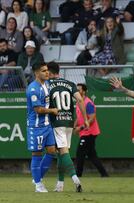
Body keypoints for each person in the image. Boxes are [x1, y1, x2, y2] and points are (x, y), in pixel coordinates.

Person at [47, 62, 88, 192]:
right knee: (61, 152)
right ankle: (60, 184)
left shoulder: (48, 85)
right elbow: (80, 100)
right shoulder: (70, 84)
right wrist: (85, 119)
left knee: (63, 152)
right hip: (69, 122)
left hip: (56, 122)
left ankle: (76, 180)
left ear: (50, 72)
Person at [26, 63, 58, 192]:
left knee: (51, 151)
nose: (47, 73)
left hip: (47, 126)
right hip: (36, 127)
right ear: (36, 73)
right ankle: (38, 185)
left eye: (47, 70)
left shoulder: (47, 85)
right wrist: (53, 111)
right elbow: (38, 109)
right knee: (37, 154)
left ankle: (37, 178)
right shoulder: (33, 89)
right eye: (43, 71)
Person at [74, 83, 109, 177]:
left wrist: (80, 128)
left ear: (84, 91)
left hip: (90, 132)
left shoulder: (88, 103)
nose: (77, 91)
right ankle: (104, 174)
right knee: (92, 155)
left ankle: (78, 175)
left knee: (80, 153)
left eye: (79, 90)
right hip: (84, 132)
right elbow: (78, 116)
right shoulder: (78, 102)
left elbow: (92, 118)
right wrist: (74, 127)